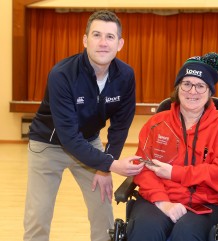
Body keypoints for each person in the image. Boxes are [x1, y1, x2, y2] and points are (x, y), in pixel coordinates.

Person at [23, 10, 144, 241]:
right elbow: (68, 136)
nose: (102, 42)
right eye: (96, 35)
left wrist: (105, 166)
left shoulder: (126, 75)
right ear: (85, 40)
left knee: (102, 209)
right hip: (48, 145)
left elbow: (120, 125)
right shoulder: (61, 75)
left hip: (89, 142)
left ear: (120, 43)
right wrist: (111, 164)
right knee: (38, 215)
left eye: (110, 37)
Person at [127, 53, 218, 241]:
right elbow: (143, 167)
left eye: (200, 85)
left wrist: (175, 173)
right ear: (178, 87)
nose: (192, 91)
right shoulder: (157, 123)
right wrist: (162, 202)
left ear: (209, 91)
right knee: (145, 231)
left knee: (186, 235)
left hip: (204, 203)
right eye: (187, 84)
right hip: (158, 198)